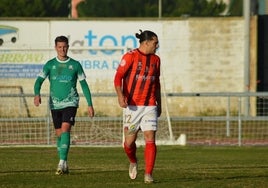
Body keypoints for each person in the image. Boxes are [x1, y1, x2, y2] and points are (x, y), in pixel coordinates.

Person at [33, 35, 94, 175]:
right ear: (55, 48)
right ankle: (65, 163)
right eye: (59, 47)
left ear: (68, 47)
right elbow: (38, 82)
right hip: (55, 104)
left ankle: (61, 163)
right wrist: (37, 94)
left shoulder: (75, 65)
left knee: (66, 129)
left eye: (64, 46)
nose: (62, 49)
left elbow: (84, 85)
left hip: (71, 102)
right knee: (59, 134)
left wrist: (90, 104)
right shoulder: (50, 64)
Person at [114, 30, 161, 183]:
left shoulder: (156, 60)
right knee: (128, 143)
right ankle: (133, 161)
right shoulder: (130, 56)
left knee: (150, 138)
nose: (157, 46)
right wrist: (120, 96)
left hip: (149, 105)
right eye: (155, 43)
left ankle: (148, 174)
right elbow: (118, 77)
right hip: (132, 107)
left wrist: (158, 103)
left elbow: (157, 83)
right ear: (146, 43)